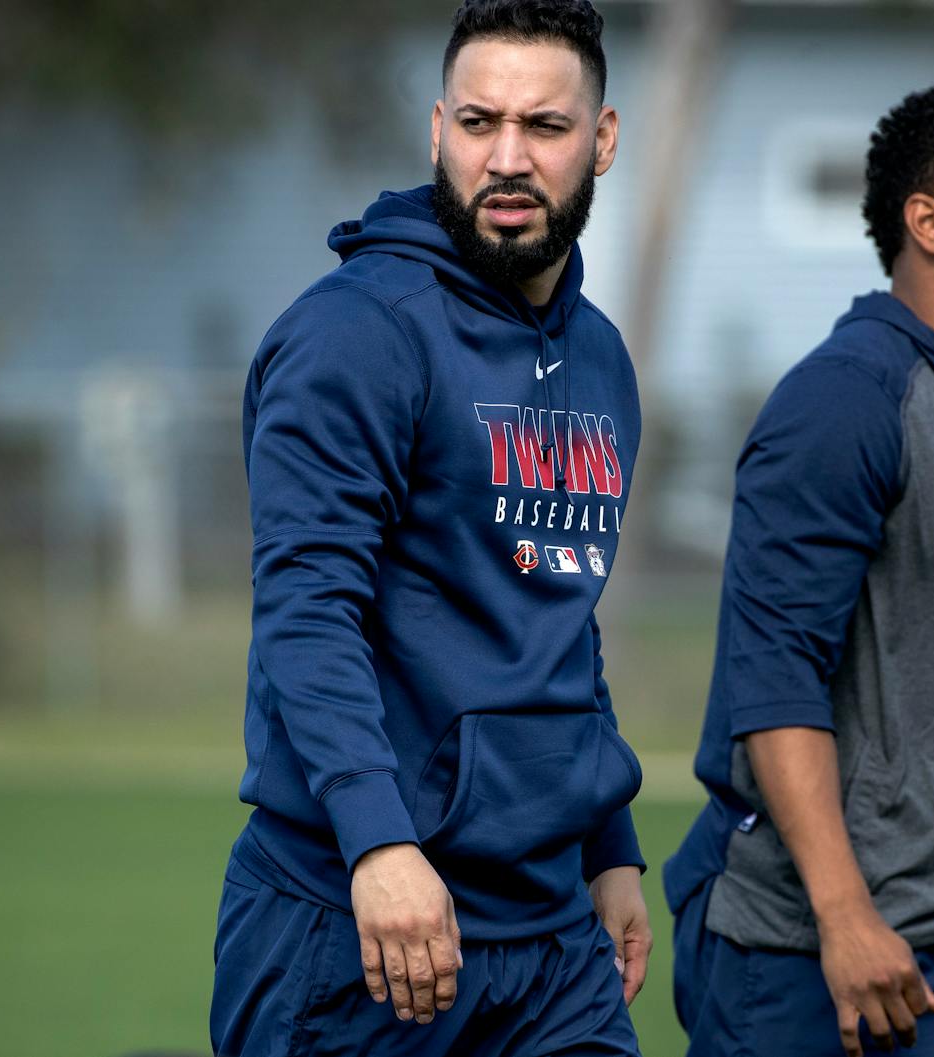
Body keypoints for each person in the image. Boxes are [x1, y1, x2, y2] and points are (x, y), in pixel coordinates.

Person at [210, 3, 652, 1055]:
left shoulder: (598, 359)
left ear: (599, 140)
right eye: (476, 122)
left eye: (543, 128)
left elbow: (554, 611)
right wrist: (376, 845)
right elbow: (307, 610)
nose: (505, 158)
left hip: (549, 944)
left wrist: (609, 844)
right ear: (435, 130)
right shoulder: (355, 333)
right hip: (359, 924)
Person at [665, 78, 934, 1057]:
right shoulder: (844, 401)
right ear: (925, 224)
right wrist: (843, 917)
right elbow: (771, 681)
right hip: (819, 962)